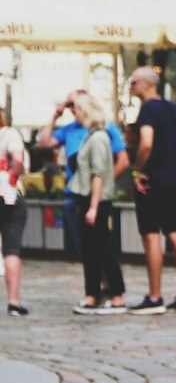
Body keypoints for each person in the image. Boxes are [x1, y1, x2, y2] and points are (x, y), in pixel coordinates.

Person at [127, 66, 176, 314]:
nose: (131, 86)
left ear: (148, 84)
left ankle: (155, 296)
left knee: (151, 236)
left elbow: (146, 143)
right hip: (171, 181)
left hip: (151, 181)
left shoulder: (148, 110)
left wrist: (137, 170)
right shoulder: (173, 108)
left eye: (134, 82)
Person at [36, 89, 129, 260]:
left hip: (95, 196)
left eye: (75, 105)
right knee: (83, 247)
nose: (72, 109)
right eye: (69, 105)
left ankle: (107, 283)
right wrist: (54, 117)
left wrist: (102, 185)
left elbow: (123, 161)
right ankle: (95, 281)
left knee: (100, 246)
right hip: (74, 193)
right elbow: (43, 143)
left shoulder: (104, 128)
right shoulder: (69, 129)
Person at [67, 93, 127, 315]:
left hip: (97, 200)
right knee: (90, 250)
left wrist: (92, 207)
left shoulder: (99, 138)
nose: (77, 114)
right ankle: (91, 295)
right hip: (88, 198)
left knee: (102, 249)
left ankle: (117, 296)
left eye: (79, 110)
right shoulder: (92, 136)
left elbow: (98, 174)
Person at [0, 108, 29, 316]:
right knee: (11, 247)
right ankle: (13, 302)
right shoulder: (9, 134)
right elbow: (18, 161)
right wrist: (10, 182)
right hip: (7, 196)